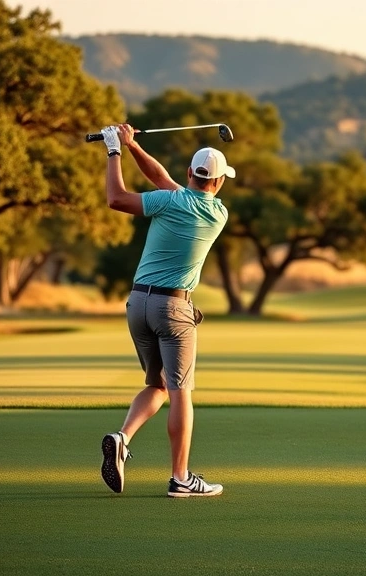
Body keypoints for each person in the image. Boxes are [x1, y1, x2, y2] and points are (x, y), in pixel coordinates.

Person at [97, 123, 232, 497]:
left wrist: (115, 152)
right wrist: (129, 145)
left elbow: (117, 197)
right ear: (218, 182)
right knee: (181, 391)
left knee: (156, 385)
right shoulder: (218, 212)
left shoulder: (168, 201)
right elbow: (160, 180)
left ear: (189, 173)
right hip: (174, 308)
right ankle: (180, 478)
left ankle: (122, 437)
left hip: (138, 303)